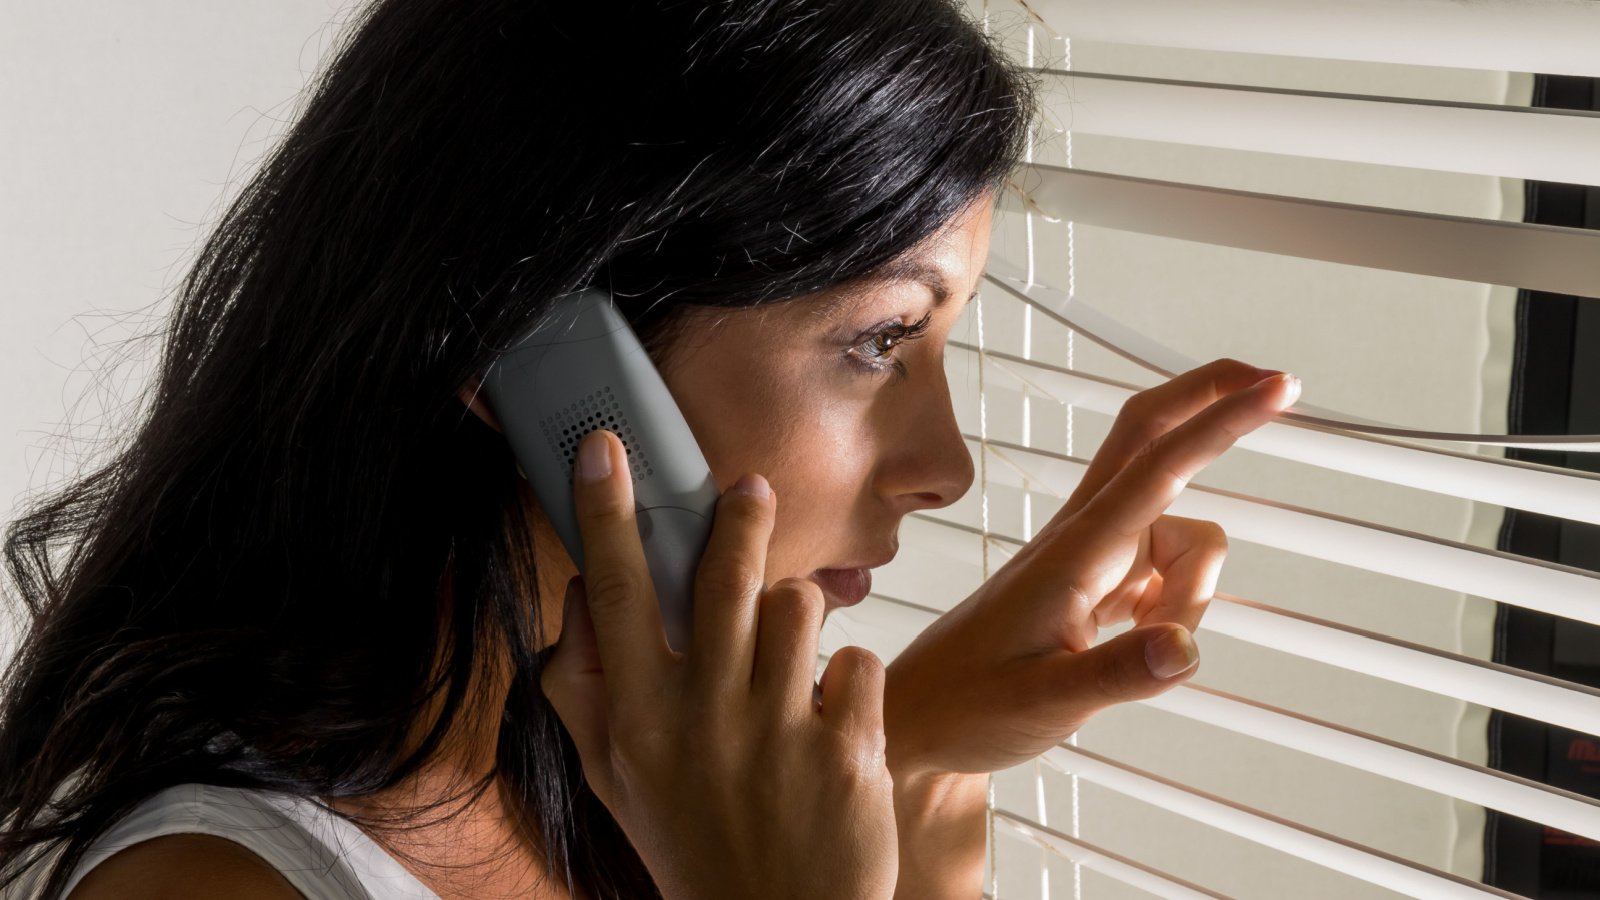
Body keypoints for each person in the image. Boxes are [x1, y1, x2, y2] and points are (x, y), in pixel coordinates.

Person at [0, 0, 1300, 898]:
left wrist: (896, 754)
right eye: (879, 341)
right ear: (542, 351)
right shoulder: (221, 887)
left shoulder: (640, 807)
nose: (944, 468)